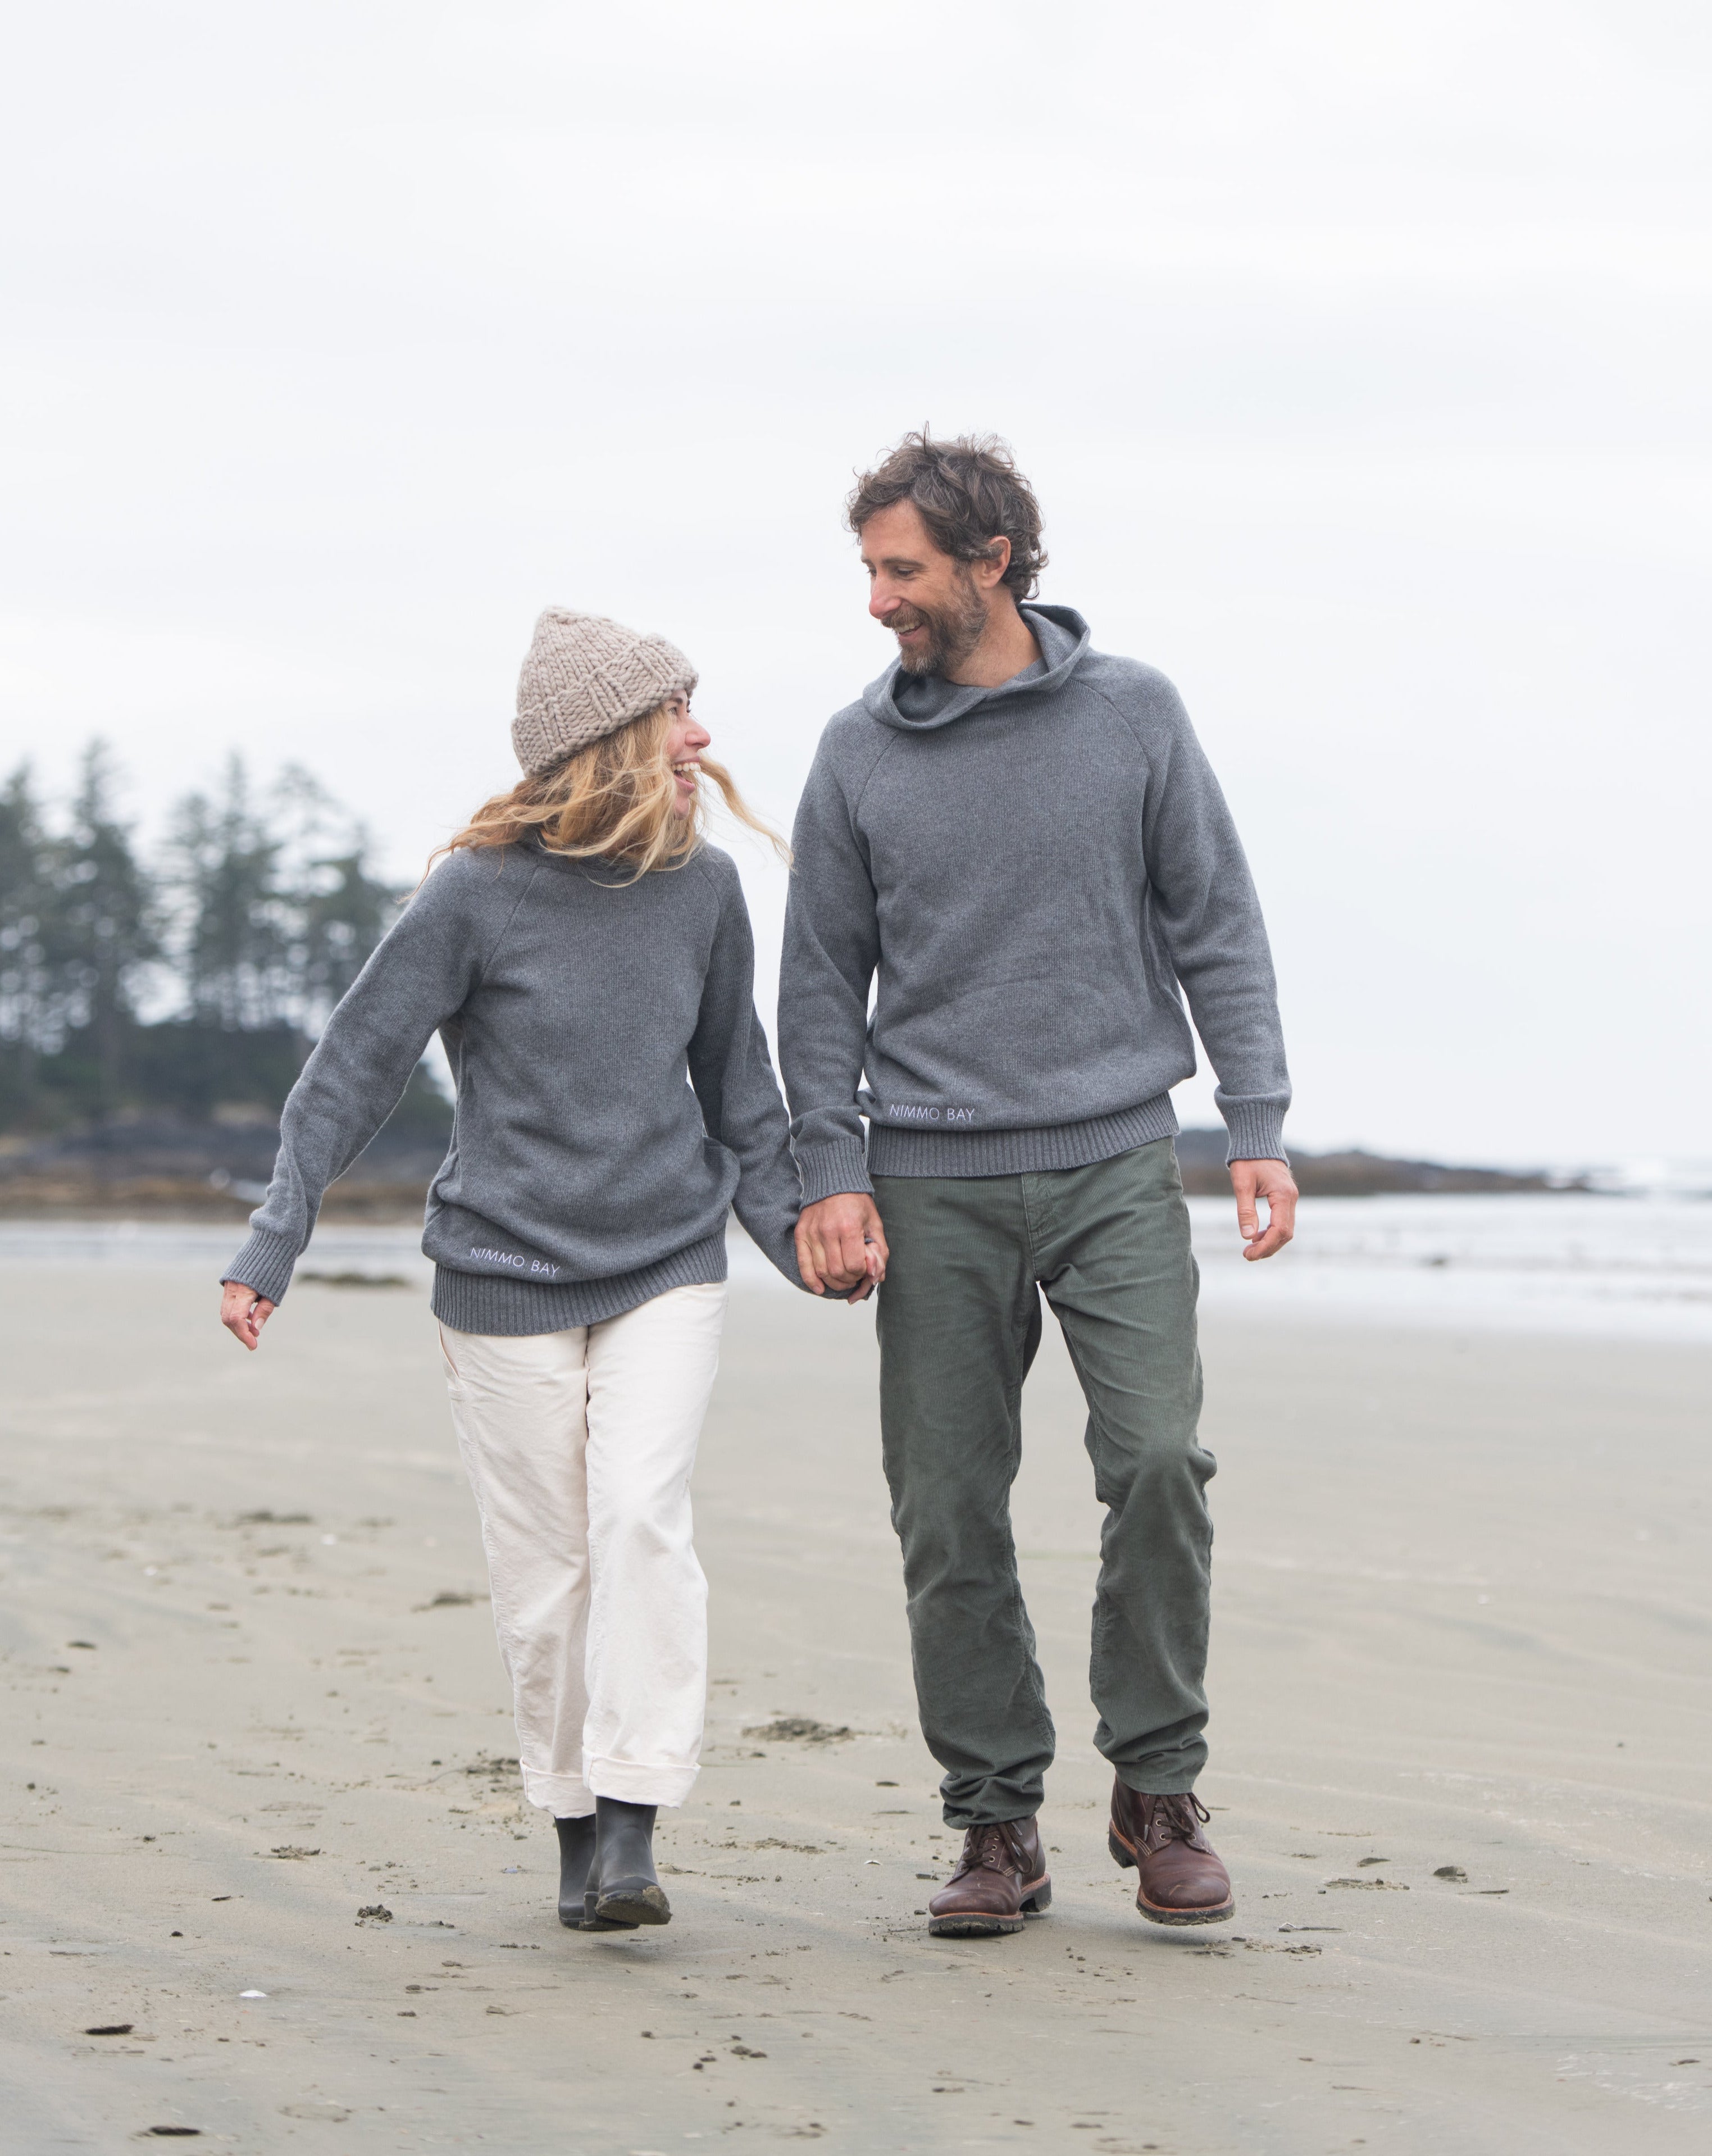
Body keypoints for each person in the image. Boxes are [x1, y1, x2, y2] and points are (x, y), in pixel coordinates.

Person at [218, 607, 859, 1932]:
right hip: (503, 1270)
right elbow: (354, 1068)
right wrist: (277, 1235)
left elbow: (744, 1098)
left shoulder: (703, 889)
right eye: (677, 710)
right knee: (547, 1567)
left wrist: (805, 1241)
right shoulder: (473, 893)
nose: (702, 736)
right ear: (605, 739)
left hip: (664, 1262)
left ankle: (633, 1821)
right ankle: (573, 1821)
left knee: (638, 1515)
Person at [780, 432, 1296, 1938]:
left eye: (902, 569)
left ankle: (1159, 1782)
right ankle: (995, 1820)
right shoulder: (855, 750)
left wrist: (1253, 1116)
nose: (879, 599)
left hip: (1115, 1156)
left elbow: (1218, 914)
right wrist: (830, 1169)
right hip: (927, 1176)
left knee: (1156, 1462)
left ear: (992, 560)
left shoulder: (1135, 713)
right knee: (947, 1505)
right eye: (871, 569)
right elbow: (818, 983)